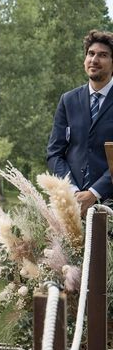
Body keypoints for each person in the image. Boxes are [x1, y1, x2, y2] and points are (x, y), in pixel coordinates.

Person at [47, 29, 113, 216]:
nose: (94, 60)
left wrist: (94, 193)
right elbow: (54, 154)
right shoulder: (68, 100)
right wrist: (73, 191)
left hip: (109, 204)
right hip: (71, 205)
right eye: (91, 54)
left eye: (103, 55)